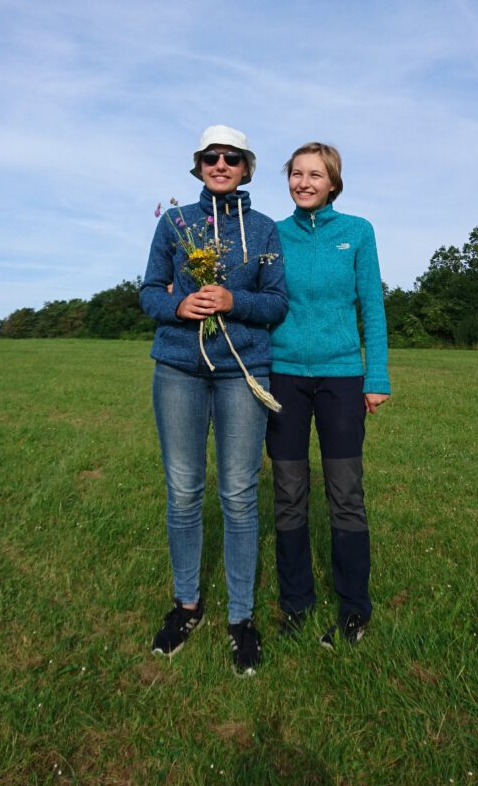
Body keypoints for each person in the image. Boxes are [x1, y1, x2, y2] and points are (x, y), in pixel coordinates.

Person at [140, 125, 288, 675]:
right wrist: (177, 308)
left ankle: (241, 620)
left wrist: (234, 299)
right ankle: (186, 606)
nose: (220, 164)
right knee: (183, 491)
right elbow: (149, 290)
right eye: (210, 157)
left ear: (246, 168)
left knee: (239, 495)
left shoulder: (266, 230)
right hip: (179, 368)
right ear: (199, 166)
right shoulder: (174, 223)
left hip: (242, 371)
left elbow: (275, 303)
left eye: (231, 158)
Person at [265, 142, 390, 647]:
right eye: (296, 174)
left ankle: (354, 607)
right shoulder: (272, 235)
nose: (304, 182)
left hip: (341, 377)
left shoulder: (358, 232)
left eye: (315, 174)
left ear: (333, 182)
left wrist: (375, 376)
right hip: (283, 376)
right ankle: (296, 602)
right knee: (289, 493)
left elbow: (373, 309)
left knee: (345, 494)